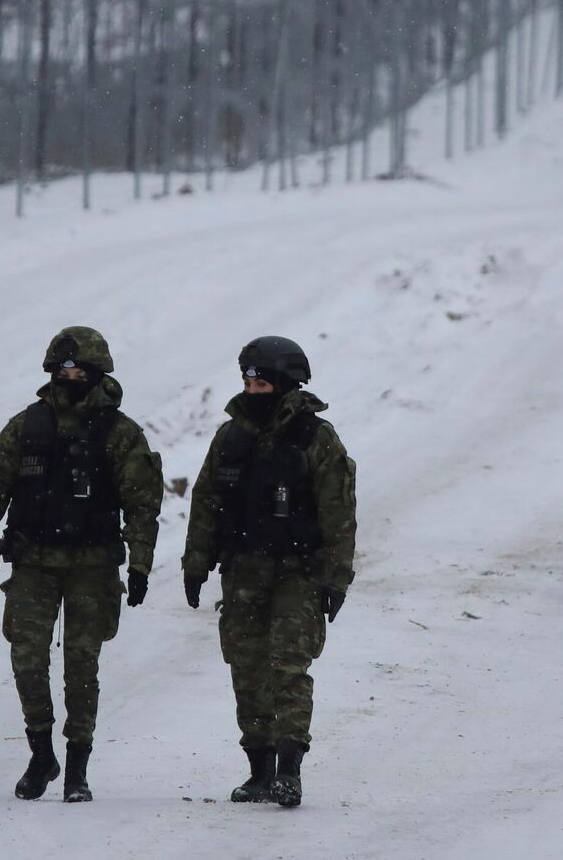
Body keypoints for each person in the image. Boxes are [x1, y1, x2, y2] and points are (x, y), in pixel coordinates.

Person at [0, 326, 163, 803]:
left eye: (79, 370)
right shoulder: (27, 428)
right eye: (63, 369)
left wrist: (140, 564)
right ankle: (41, 753)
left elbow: (142, 504)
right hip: (34, 562)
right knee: (27, 659)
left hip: (92, 566)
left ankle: (77, 765)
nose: (70, 376)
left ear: (98, 374)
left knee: (82, 664)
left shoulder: (121, 433)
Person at [181, 336, 357, 808]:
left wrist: (336, 578)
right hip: (242, 573)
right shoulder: (231, 437)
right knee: (246, 668)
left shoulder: (316, 439)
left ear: (283, 383)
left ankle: (288, 769)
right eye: (247, 380)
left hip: (297, 573)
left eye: (260, 381)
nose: (252, 388)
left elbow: (339, 514)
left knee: (288, 667)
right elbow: (206, 503)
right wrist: (195, 564)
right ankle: (258, 770)